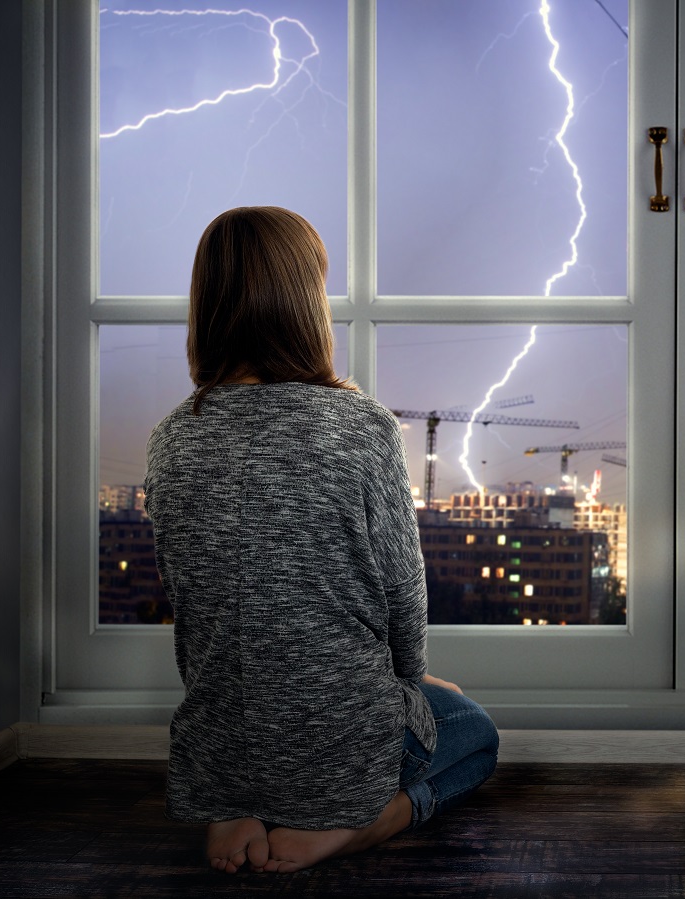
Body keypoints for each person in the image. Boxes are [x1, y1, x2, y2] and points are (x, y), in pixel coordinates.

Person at [143, 206, 500, 874]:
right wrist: (409, 681)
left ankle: (236, 802)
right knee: (476, 733)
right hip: (344, 740)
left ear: (208, 304)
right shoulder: (362, 424)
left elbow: (190, 602)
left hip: (222, 738)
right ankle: (369, 821)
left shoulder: (170, 437)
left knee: (262, 725)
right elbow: (403, 590)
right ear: (306, 302)